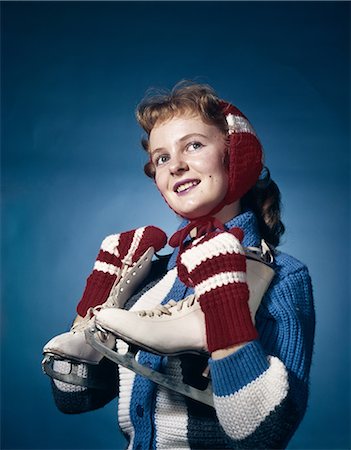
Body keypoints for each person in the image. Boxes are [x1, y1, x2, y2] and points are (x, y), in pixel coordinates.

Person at [42, 81, 315, 449]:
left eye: (194, 145)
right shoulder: (153, 277)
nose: (176, 166)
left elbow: (265, 436)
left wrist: (224, 309)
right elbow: (74, 398)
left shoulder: (283, 276)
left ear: (234, 155)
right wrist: (95, 300)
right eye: (162, 158)